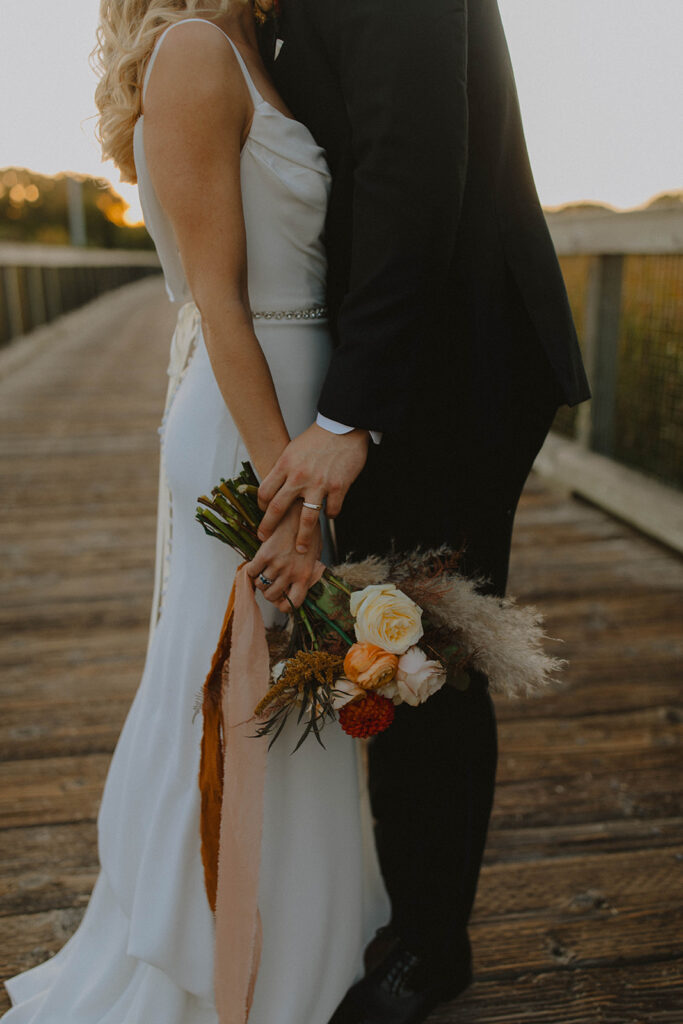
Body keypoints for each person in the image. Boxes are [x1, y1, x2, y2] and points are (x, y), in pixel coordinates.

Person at [1, 2, 391, 1023]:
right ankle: (224, 966)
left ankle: (300, 946)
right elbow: (218, 299)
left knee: (281, 675)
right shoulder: (192, 52)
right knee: (228, 676)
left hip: (294, 402)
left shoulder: (260, 49)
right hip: (248, 412)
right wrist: (282, 493)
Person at [246, 1, 592, 1022]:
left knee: (429, 656)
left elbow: (411, 174)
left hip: (452, 370)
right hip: (421, 366)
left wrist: (353, 412)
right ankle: (413, 915)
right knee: (391, 649)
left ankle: (430, 950)